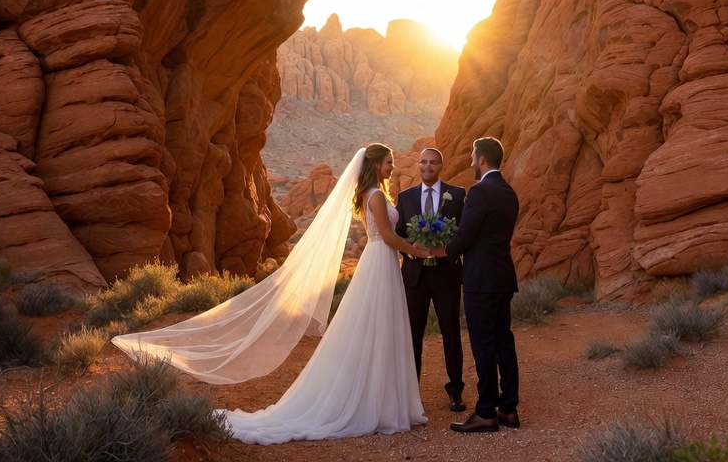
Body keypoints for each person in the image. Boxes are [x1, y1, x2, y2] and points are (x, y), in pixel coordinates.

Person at [113, 144, 430, 444]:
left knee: (379, 328)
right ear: (376, 164)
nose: (392, 167)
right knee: (378, 327)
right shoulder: (375, 196)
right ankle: (377, 404)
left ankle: (381, 400)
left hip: (380, 263)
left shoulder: (371, 194)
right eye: (388, 162)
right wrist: (417, 251)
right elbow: (387, 236)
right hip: (379, 262)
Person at [439, 136, 520, 433]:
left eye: (474, 158)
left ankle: (486, 412)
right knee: (503, 342)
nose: (472, 163)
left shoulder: (480, 191)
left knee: (484, 345)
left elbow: (466, 233)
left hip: (480, 281)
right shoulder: (509, 192)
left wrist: (445, 250)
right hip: (502, 277)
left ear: (481, 159)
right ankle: (508, 409)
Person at [395, 146, 466, 411]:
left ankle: (455, 391)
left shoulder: (457, 195)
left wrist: (445, 249)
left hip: (446, 274)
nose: (427, 167)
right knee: (412, 334)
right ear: (418, 164)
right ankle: (412, 395)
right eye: (423, 162)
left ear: (441, 165)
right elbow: (398, 234)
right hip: (415, 276)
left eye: (433, 162)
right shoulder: (405, 197)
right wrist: (412, 246)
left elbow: (463, 233)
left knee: (451, 333)